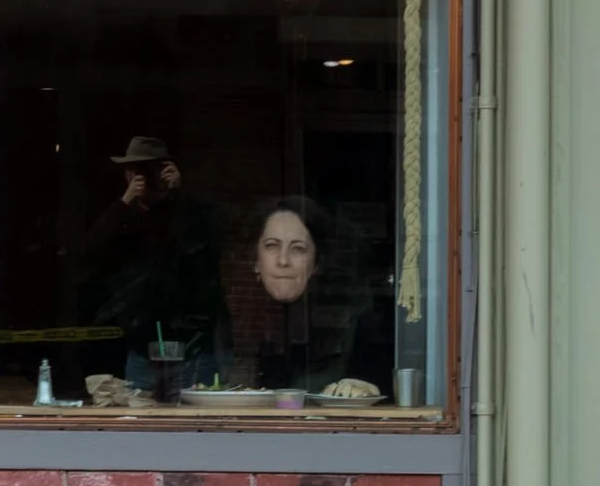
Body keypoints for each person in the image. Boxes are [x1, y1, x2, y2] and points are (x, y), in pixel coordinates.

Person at [82, 136, 229, 390]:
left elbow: (202, 253)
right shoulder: (124, 217)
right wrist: (124, 203)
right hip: (139, 345)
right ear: (128, 175)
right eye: (137, 171)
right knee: (139, 408)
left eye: (152, 170)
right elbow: (91, 251)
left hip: (188, 345)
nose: (145, 178)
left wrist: (176, 195)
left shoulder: (187, 213)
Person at [246, 196, 389, 394]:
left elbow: (378, 381)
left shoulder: (354, 323)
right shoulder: (234, 328)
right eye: (272, 246)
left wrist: (366, 387)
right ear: (256, 259)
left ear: (317, 263)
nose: (283, 260)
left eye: (298, 249)